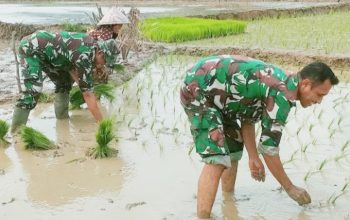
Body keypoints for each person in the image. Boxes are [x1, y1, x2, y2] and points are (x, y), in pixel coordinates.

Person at [180, 55, 339, 219]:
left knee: (233, 149)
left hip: (221, 100)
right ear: (305, 84)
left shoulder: (285, 83)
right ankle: (203, 216)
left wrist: (253, 156)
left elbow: (247, 114)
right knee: (217, 156)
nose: (319, 101)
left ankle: (228, 201)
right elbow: (269, 150)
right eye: (320, 94)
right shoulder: (282, 94)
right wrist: (290, 188)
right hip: (197, 90)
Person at [11, 30, 118, 131]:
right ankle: (17, 131)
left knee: (65, 83)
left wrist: (82, 85)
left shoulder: (92, 45)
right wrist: (102, 123)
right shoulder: (85, 55)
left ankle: (62, 119)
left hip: (52, 56)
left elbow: (71, 66)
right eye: (104, 61)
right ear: (100, 53)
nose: (103, 64)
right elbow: (88, 95)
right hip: (32, 48)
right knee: (33, 90)